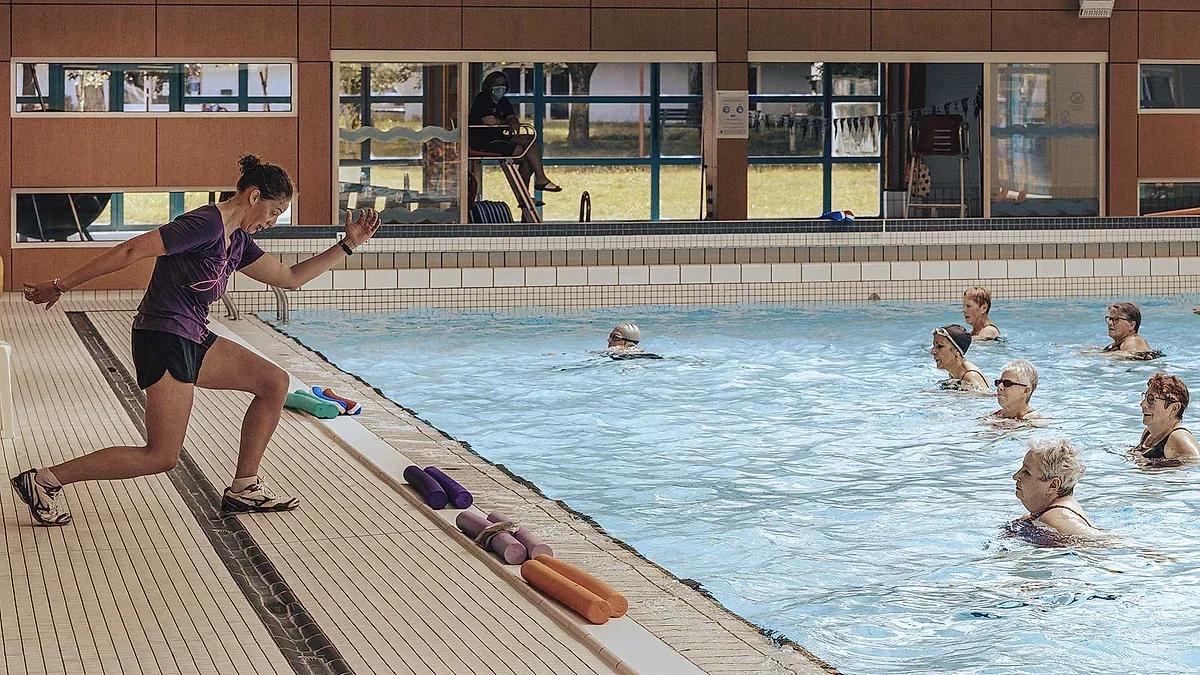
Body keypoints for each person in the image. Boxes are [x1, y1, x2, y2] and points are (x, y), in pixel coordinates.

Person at [12, 154, 382, 526]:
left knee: (274, 382)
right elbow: (131, 250)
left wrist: (347, 245)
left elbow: (288, 277)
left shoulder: (236, 240)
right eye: (274, 211)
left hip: (193, 336)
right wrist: (61, 285)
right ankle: (44, 480)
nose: (272, 222)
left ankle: (244, 488)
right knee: (161, 456)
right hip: (164, 337)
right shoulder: (204, 223)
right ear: (254, 197)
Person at [469, 71, 561, 193]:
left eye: (503, 84)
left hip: (499, 137)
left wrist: (513, 121)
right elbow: (491, 122)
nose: (500, 87)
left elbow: (511, 117)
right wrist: (507, 123)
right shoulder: (483, 99)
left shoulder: (504, 102)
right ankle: (526, 192)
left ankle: (538, 181)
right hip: (483, 141)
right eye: (497, 84)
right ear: (489, 85)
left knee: (529, 141)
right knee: (524, 155)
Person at [1010, 439, 1098, 539]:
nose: (1015, 476)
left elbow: (1104, 543)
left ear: (1053, 485)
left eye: (1026, 472)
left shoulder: (1056, 517)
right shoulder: (1045, 515)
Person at [1133, 373, 1200, 461]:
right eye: (1144, 398)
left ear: (1174, 408)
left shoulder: (1179, 438)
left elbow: (1195, 466)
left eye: (1151, 400)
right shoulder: (1148, 434)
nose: (1142, 404)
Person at [930, 324, 988, 391]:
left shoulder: (970, 376)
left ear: (957, 352)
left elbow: (985, 397)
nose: (933, 352)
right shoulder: (954, 372)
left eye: (940, 346)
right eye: (934, 346)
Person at [989, 359, 1046, 424]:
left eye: (1007, 383)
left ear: (1025, 391)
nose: (1000, 387)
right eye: (999, 382)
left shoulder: (1035, 420)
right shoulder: (994, 416)